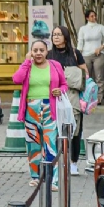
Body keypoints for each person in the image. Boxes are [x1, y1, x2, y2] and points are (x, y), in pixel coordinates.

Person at [13, 40, 68, 187]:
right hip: (31, 109)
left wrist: (60, 90)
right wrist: (26, 61)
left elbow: (64, 84)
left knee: (50, 143)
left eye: (41, 50)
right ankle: (35, 176)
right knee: (33, 145)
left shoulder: (55, 65)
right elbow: (16, 79)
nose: (38, 53)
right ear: (31, 52)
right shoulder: (27, 66)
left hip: (49, 108)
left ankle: (52, 179)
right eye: (35, 50)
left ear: (46, 51)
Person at [48, 26, 89, 176]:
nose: (56, 37)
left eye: (59, 34)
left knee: (75, 131)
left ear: (65, 36)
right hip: (53, 96)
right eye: (54, 34)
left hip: (73, 97)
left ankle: (73, 163)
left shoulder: (75, 53)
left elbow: (85, 74)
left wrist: (67, 78)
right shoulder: (48, 54)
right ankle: (58, 161)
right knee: (55, 129)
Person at [76, 10, 104, 103]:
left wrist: (101, 47)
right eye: (91, 16)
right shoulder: (83, 29)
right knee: (87, 76)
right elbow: (80, 43)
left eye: (95, 16)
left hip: (98, 55)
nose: (94, 17)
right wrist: (78, 55)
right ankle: (87, 96)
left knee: (99, 77)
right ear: (87, 18)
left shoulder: (100, 27)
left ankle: (99, 97)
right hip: (86, 55)